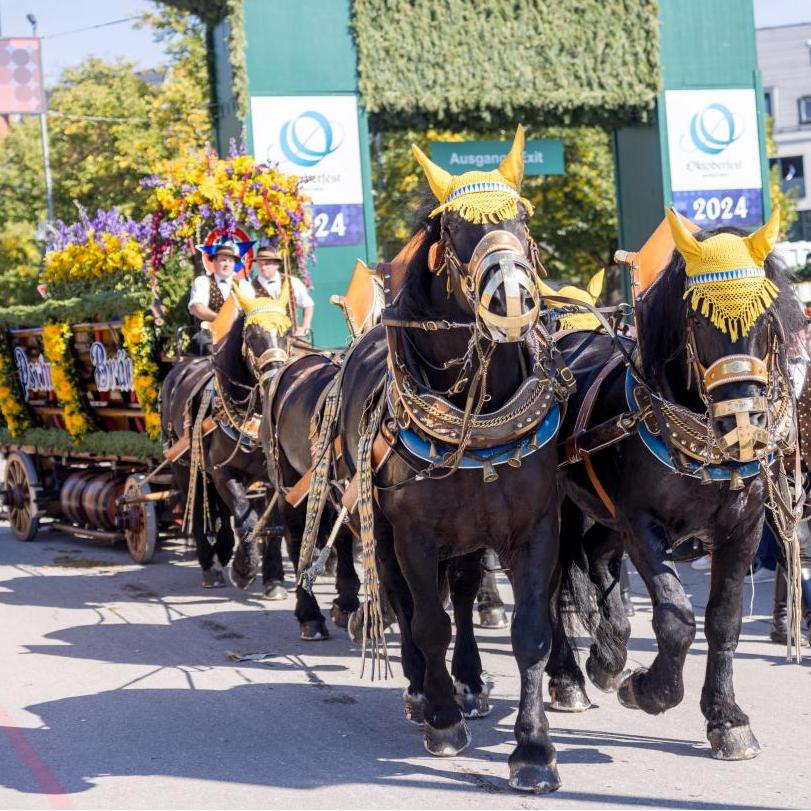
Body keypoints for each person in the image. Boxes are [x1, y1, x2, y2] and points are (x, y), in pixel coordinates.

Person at [239, 240, 314, 338]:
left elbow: (308, 305)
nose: (263, 267)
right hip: (264, 340)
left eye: (267, 264)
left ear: (276, 265)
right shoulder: (248, 287)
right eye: (260, 264)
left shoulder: (292, 282)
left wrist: (305, 327)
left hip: (292, 337)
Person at [188, 239, 241, 355]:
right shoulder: (203, 281)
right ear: (214, 262)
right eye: (223, 260)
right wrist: (222, 319)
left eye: (231, 261)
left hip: (238, 334)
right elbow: (197, 308)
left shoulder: (243, 286)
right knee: (209, 349)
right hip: (209, 333)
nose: (227, 264)